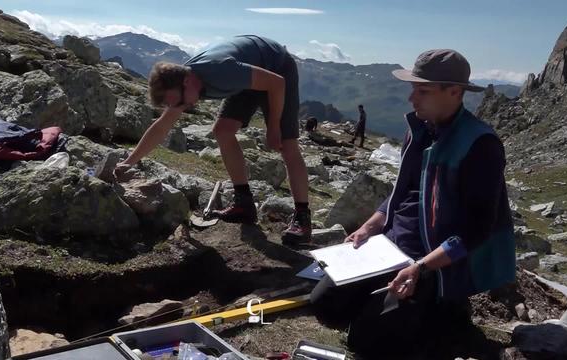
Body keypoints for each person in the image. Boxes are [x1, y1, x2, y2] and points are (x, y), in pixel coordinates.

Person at [320, 49, 516, 357]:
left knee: (367, 341)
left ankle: (444, 310)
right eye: (413, 88)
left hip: (431, 261)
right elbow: (403, 191)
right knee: (325, 305)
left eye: (422, 90)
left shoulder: (480, 145)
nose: (413, 98)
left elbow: (478, 228)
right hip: (390, 245)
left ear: (454, 91)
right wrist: (370, 226)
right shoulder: (421, 129)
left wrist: (420, 268)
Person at [114, 35, 312, 244]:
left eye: (180, 102)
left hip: (277, 67)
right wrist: (129, 161)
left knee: (287, 143)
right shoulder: (183, 84)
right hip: (248, 73)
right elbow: (162, 126)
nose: (181, 107)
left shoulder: (221, 71)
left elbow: (277, 83)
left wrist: (273, 127)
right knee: (223, 130)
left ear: (188, 81)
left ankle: (303, 219)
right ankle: (244, 204)